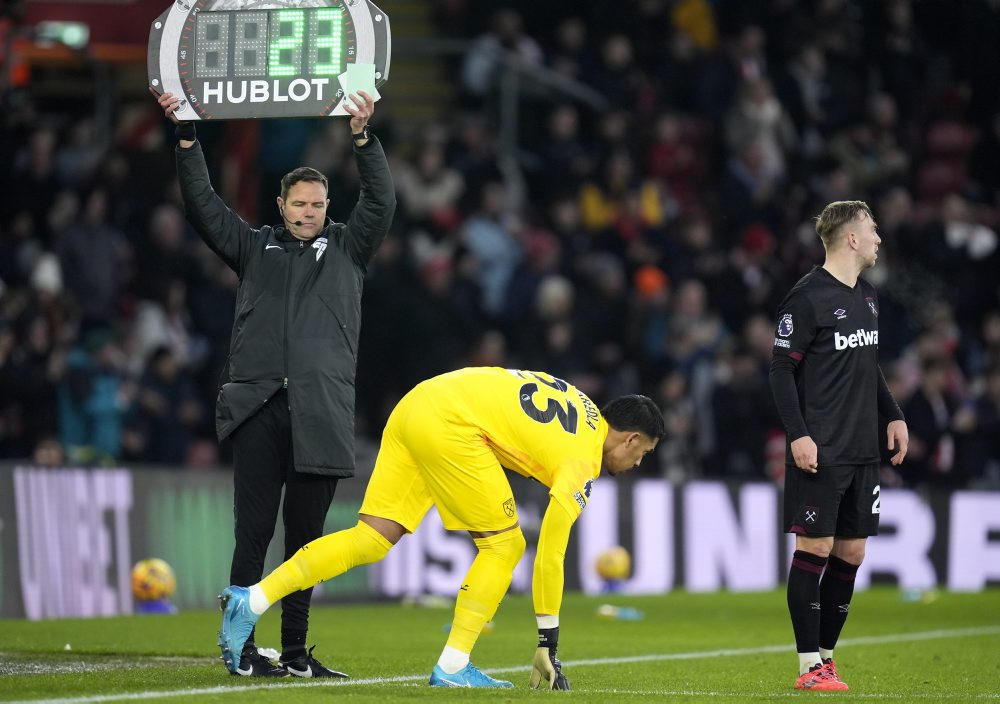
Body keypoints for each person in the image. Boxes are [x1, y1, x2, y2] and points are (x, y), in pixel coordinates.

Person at [216, 367, 664, 688]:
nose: (636, 463)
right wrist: (548, 641)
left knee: (372, 538)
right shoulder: (584, 460)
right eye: (641, 453)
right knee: (506, 546)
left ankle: (251, 600)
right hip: (452, 425)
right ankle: (453, 665)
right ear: (628, 438)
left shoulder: (581, 405)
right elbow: (551, 551)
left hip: (417, 403)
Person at [154, 89, 396, 678]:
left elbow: (382, 201)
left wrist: (363, 138)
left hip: (321, 411)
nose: (308, 211)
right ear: (281, 204)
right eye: (299, 202)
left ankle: (292, 653)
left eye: (317, 203)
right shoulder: (252, 246)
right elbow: (203, 206)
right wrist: (187, 138)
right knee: (254, 533)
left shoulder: (349, 246)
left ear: (327, 205)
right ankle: (239, 648)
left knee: (308, 542)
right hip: (259, 407)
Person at [768, 200, 908, 691]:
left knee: (851, 552)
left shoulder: (868, 296)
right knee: (817, 545)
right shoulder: (806, 298)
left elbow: (867, 366)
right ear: (850, 237)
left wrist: (892, 414)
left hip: (862, 448)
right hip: (821, 447)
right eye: (871, 229)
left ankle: (827, 659)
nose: (877, 238)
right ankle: (809, 666)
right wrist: (798, 434)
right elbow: (782, 369)